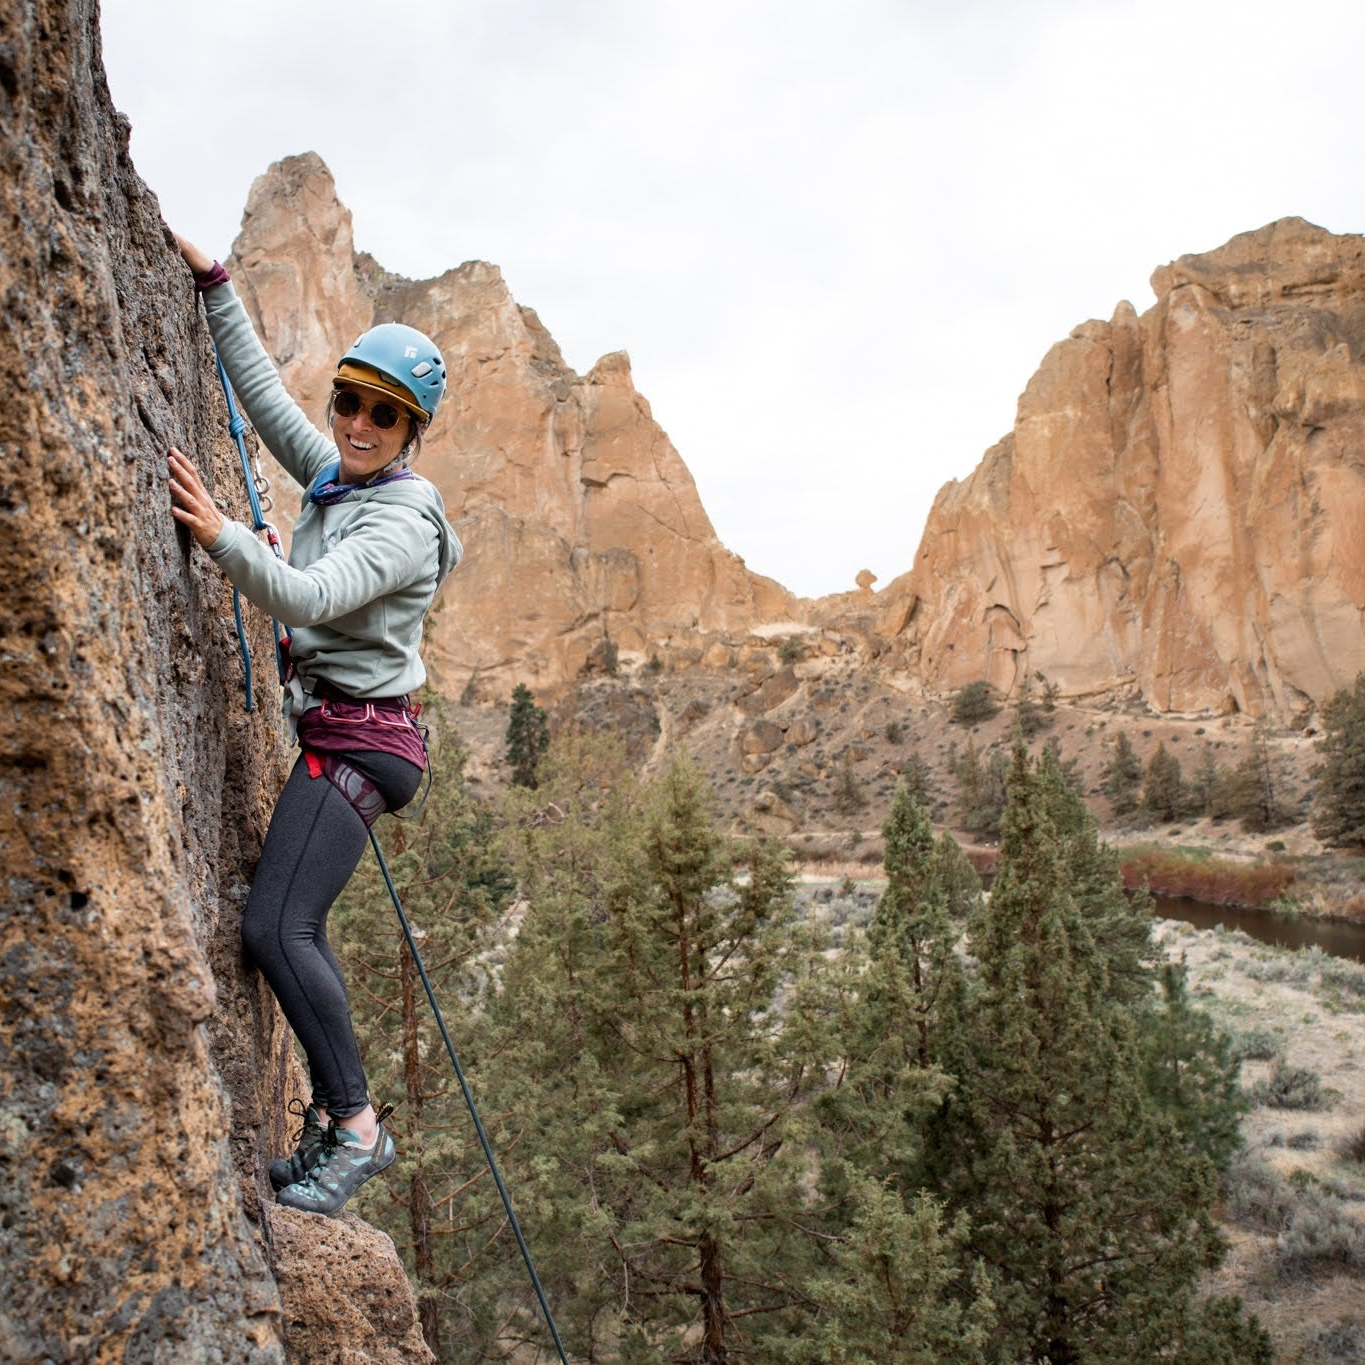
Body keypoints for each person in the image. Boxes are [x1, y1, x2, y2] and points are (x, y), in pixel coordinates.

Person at [168, 235, 462, 1216]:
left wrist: (218, 537)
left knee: (273, 927)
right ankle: (342, 1123)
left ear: (410, 428)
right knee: (296, 927)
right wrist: (215, 285)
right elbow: (264, 405)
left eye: (386, 413)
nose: (360, 423)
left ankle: (358, 1130)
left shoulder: (397, 521)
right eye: (351, 401)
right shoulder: (344, 480)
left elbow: (307, 591)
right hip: (349, 736)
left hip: (362, 746)